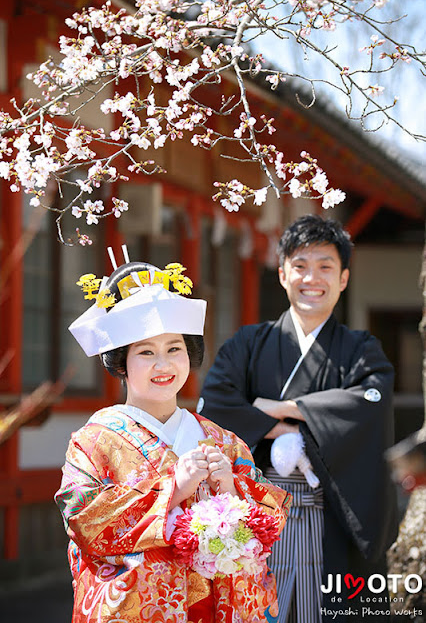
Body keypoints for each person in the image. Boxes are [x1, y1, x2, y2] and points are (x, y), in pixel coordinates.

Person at [55, 251, 291, 623]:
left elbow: (270, 519)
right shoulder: (95, 441)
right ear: (121, 363)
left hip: (219, 609)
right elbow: (84, 520)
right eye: (146, 352)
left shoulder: (223, 440)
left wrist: (231, 489)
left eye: (174, 349)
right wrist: (173, 491)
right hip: (142, 609)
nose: (163, 365)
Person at [199, 215, 399, 623]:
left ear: (343, 278)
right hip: (260, 516)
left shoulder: (361, 348)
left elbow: (370, 403)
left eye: (325, 266)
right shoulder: (248, 344)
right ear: (282, 274)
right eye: (301, 266)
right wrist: (287, 428)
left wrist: (283, 407)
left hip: (334, 518)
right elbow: (215, 403)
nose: (313, 278)